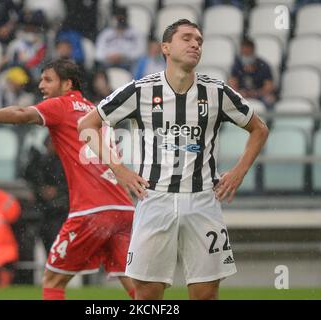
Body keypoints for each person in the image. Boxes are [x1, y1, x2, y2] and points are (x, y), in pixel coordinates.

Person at [78, 19, 269, 300]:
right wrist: (119, 170)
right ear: (165, 47)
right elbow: (86, 125)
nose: (195, 44)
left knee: (205, 294)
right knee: (146, 294)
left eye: (200, 41)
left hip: (203, 200)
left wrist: (240, 172)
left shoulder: (216, 92)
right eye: (187, 38)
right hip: (154, 200)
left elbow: (259, 130)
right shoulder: (140, 90)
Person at [0, 59, 136, 300]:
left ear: (67, 84)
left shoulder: (61, 106)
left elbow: (22, 114)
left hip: (92, 210)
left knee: (53, 280)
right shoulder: (96, 111)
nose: (41, 85)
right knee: (133, 283)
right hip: (123, 208)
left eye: (48, 80)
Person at [23, 135, 69, 252]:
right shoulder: (40, 162)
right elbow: (30, 177)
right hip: (44, 213)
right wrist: (41, 190)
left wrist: (58, 191)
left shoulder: (68, 162)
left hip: (62, 212)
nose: (51, 146)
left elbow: (74, 184)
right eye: (49, 143)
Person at [228, 38, 276, 111]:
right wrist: (240, 92)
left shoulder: (263, 65)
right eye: (243, 53)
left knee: (269, 101)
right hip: (242, 94)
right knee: (227, 101)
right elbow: (232, 84)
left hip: (259, 94)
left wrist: (256, 93)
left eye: (248, 53)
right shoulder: (237, 65)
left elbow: (269, 86)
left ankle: (268, 122)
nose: (245, 55)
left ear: (253, 51)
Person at [95, 6, 146, 70]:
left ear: (126, 18)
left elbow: (141, 52)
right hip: (107, 65)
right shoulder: (106, 33)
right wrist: (109, 57)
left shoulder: (136, 33)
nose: (120, 21)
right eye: (118, 19)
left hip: (128, 65)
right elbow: (98, 54)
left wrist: (124, 57)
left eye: (122, 18)